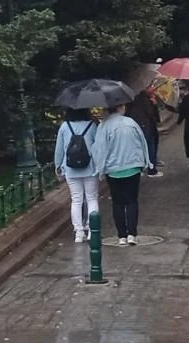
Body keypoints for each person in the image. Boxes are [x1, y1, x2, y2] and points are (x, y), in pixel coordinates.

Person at [95, 103, 152, 246]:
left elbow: (100, 149)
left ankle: (121, 236)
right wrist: (146, 162)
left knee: (117, 202)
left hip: (113, 169)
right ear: (120, 107)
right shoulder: (131, 123)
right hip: (133, 166)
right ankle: (132, 234)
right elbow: (142, 142)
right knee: (132, 201)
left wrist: (100, 169)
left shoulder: (104, 126)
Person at [54, 109, 100, 243]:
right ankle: (93, 230)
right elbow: (97, 147)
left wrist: (58, 166)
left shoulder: (64, 126)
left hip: (70, 169)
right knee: (92, 199)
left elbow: (59, 149)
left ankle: (79, 232)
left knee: (76, 200)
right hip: (90, 168)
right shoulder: (92, 125)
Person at [126, 84, 161, 177]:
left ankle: (141, 168)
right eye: (151, 86)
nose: (153, 88)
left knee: (140, 148)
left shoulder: (135, 98)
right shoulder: (144, 100)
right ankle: (152, 169)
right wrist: (154, 105)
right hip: (146, 128)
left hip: (138, 126)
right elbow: (151, 114)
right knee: (150, 147)